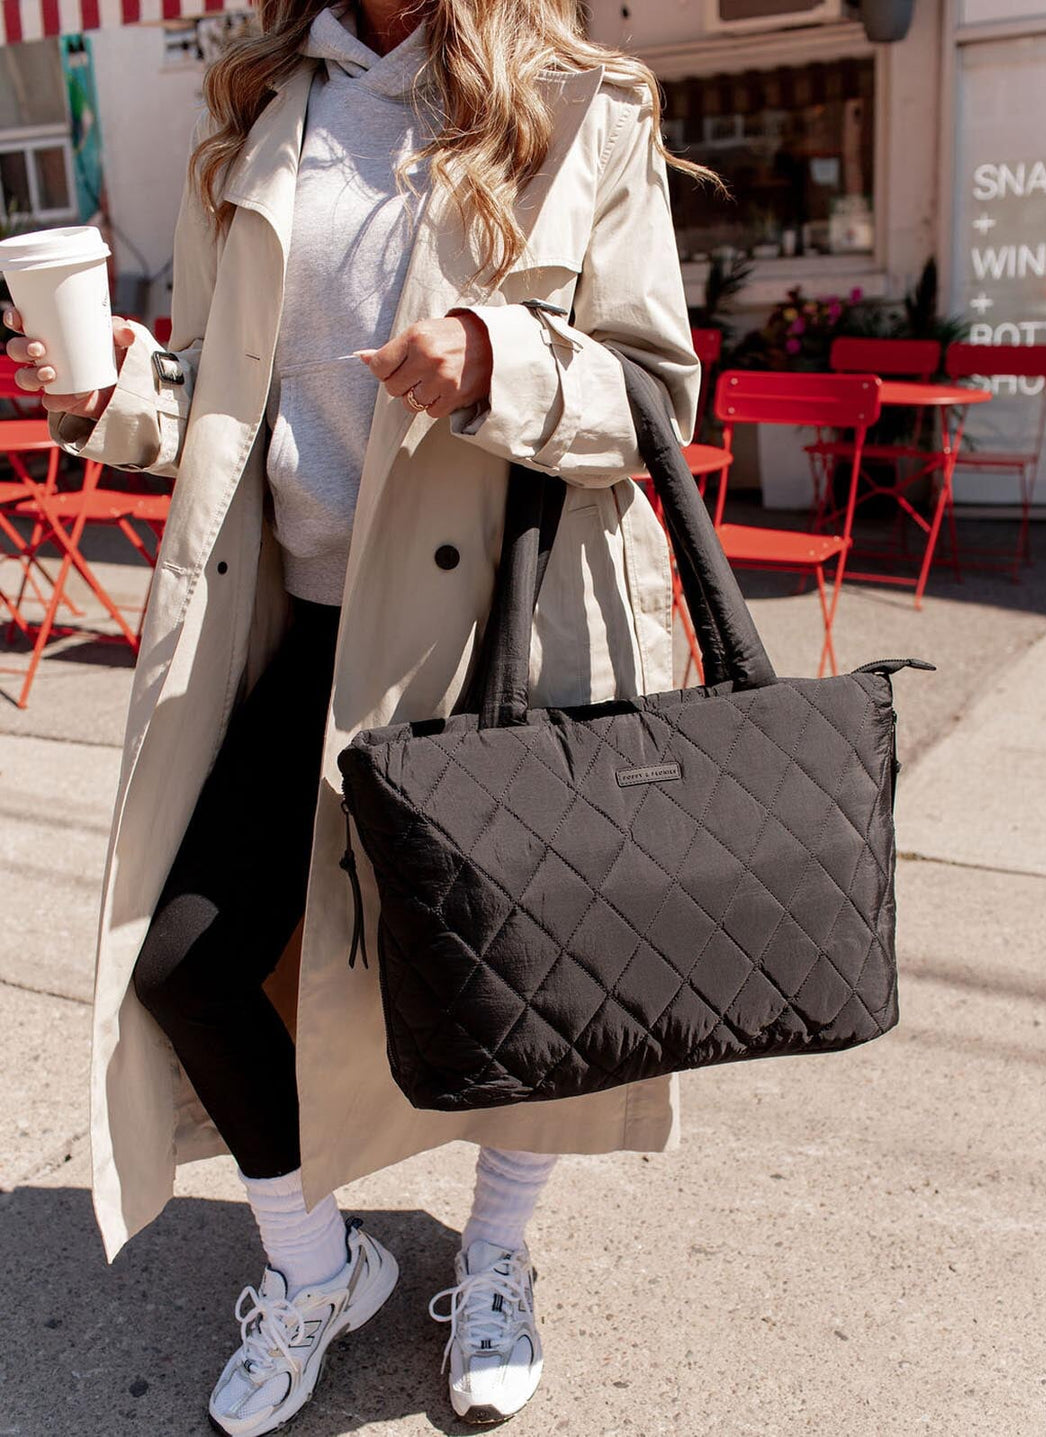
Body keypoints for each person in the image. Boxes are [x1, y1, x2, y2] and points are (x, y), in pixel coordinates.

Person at [8, 0, 711, 1430]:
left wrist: (498, 365)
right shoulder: (270, 111)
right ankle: (316, 1265)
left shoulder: (585, 108)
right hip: (311, 628)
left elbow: (656, 396)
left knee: (524, 989)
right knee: (192, 957)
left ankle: (499, 1259)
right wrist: (105, 396)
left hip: (503, 642)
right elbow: (225, 392)